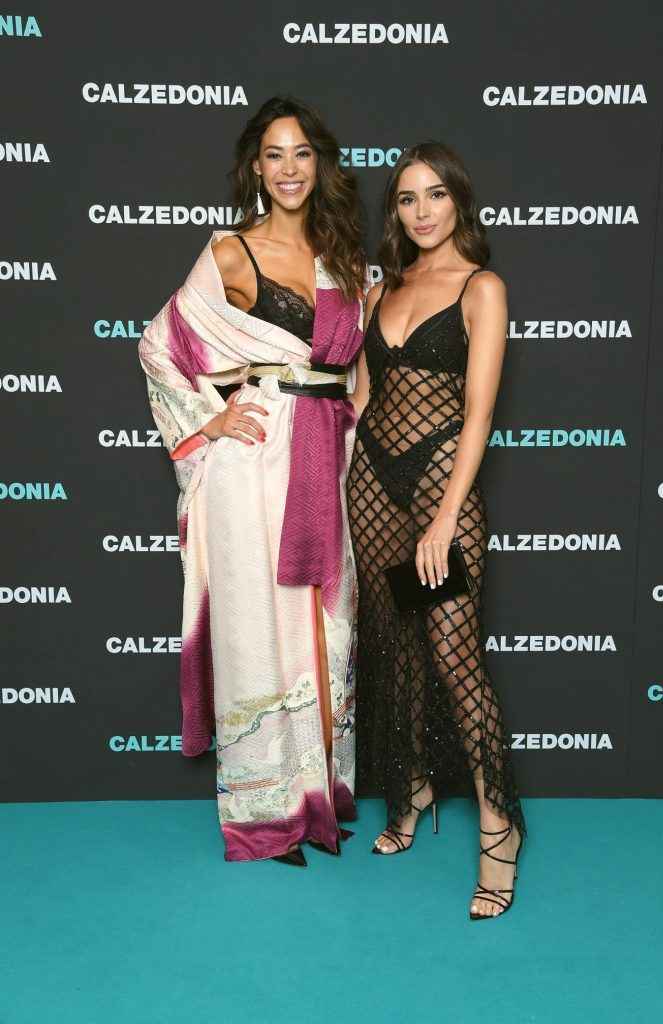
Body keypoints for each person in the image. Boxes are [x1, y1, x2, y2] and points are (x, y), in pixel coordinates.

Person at [139, 96, 365, 866]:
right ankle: (265, 813)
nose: (288, 168)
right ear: (255, 167)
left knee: (322, 628)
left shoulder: (341, 255)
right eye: (274, 154)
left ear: (319, 164)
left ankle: (316, 797)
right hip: (254, 463)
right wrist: (212, 420)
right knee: (253, 629)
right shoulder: (231, 252)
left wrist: (353, 442)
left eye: (301, 153)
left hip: (325, 459)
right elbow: (159, 345)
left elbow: (352, 372)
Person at [347, 142, 526, 918]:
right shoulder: (382, 286)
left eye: (434, 195)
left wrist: (446, 516)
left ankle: (499, 828)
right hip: (371, 480)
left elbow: (479, 413)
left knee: (452, 653)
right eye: (406, 198)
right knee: (396, 646)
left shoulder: (482, 287)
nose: (421, 211)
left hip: (438, 479)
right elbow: (361, 396)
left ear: (458, 201)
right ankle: (412, 786)